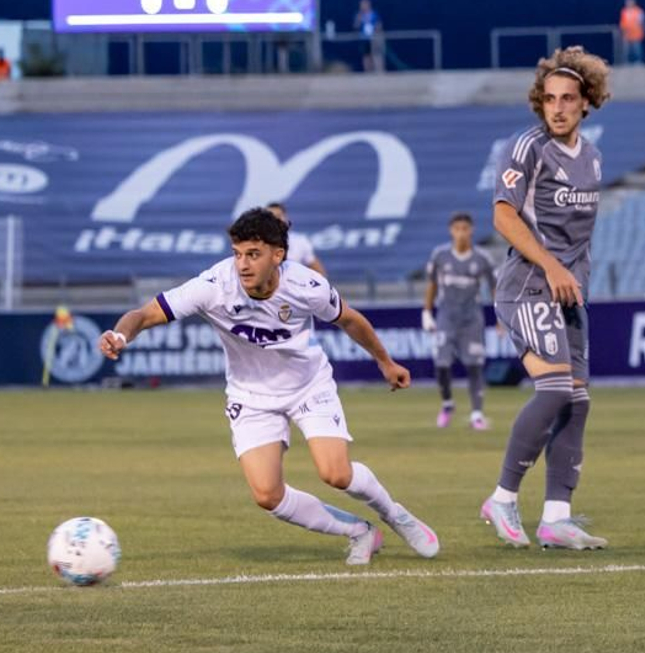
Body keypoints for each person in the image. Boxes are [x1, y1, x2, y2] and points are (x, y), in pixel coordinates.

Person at [95, 207, 438, 566]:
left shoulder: (306, 285)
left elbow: (350, 320)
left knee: (335, 473)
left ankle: (394, 513)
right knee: (266, 494)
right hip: (251, 396)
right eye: (238, 253)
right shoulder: (214, 286)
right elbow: (146, 313)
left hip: (308, 386)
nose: (242, 264)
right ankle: (359, 531)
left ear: (278, 255)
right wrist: (120, 334)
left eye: (253, 254)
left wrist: (385, 361)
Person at [480, 46, 610, 551]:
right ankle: (503, 496)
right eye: (549, 99)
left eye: (568, 99)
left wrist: (575, 280)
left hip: (569, 295)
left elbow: (580, 240)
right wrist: (553, 266)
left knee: (577, 402)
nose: (558, 107)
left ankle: (556, 517)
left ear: (586, 103)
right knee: (554, 390)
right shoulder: (527, 147)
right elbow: (503, 216)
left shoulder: (594, 159)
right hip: (527, 287)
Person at [423, 212, 494, 430]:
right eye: (457, 229)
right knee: (442, 364)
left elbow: (495, 288)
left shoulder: (482, 258)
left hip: (471, 319)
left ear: (471, 230)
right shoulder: (440, 256)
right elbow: (432, 285)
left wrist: (502, 317)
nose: (461, 233)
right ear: (451, 231)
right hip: (446, 317)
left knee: (474, 365)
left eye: (465, 229)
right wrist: (426, 312)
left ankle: (477, 414)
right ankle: (447, 404)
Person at [266, 203, 326, 277]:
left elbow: (318, 271)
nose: (275, 220)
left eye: (278, 216)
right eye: (271, 217)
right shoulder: (258, 243)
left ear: (285, 218)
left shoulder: (300, 241)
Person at [354, 0, 384, 73]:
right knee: (366, 56)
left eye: (364, 4)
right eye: (361, 4)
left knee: (377, 55)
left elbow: (379, 26)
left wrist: (375, 29)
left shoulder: (374, 14)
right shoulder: (359, 15)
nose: (362, 6)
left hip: (374, 38)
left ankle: (379, 72)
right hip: (364, 38)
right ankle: (368, 73)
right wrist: (359, 18)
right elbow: (356, 26)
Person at [619, 0, 645, 65]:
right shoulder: (624, 11)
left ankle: (638, 62)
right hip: (627, 34)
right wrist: (623, 32)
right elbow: (622, 22)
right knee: (627, 50)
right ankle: (627, 62)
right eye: (627, 2)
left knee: (637, 49)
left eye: (630, 2)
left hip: (636, 34)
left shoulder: (638, 11)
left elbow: (642, 22)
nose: (628, 3)